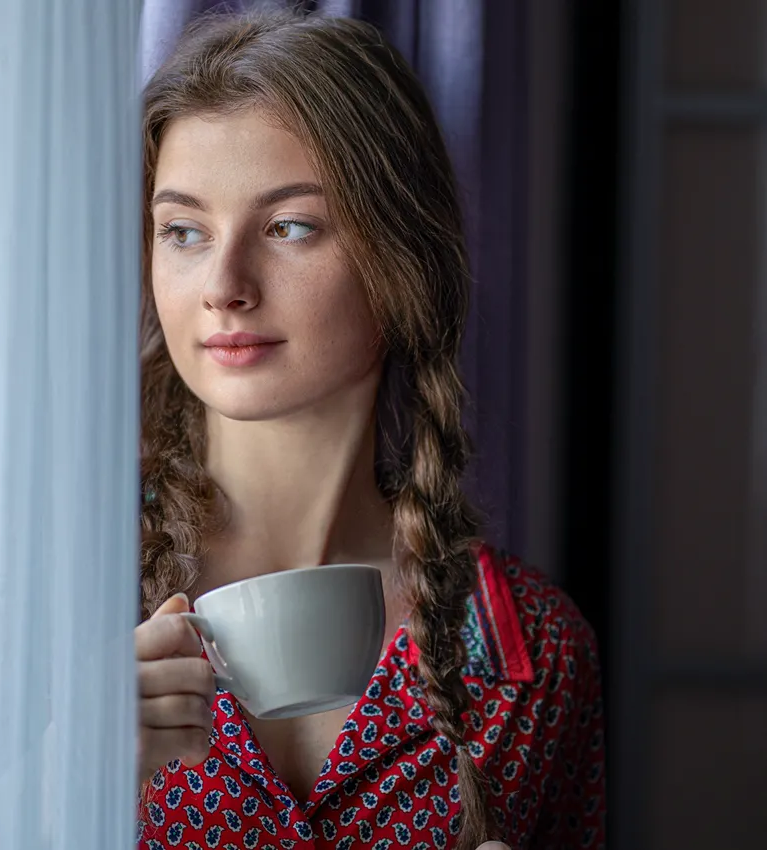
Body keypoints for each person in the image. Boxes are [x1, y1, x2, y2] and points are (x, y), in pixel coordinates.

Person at [133, 10, 605, 850]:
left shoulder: (533, 652)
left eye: (289, 227)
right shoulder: (37, 605)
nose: (224, 284)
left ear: (403, 260)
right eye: (185, 231)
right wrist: (59, 776)